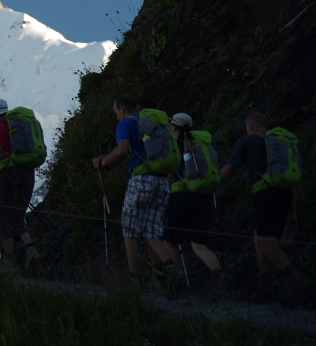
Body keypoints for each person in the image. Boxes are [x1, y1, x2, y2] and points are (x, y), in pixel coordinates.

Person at [219, 112, 312, 304]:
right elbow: (293, 182)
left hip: (265, 195)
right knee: (258, 236)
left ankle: (297, 281)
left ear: (251, 126)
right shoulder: (279, 145)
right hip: (285, 196)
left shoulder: (247, 141)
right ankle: (265, 285)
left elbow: (228, 170)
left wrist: (211, 183)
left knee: (266, 240)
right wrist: (293, 212)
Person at [92, 95, 178, 288]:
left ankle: (135, 278)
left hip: (141, 180)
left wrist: (101, 162)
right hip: (162, 181)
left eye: (116, 113)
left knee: (130, 228)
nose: (116, 118)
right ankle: (167, 269)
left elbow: (122, 150)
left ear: (122, 109)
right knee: (151, 230)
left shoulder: (126, 124)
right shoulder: (152, 122)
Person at [161, 113, 227, 286]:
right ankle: (219, 274)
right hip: (204, 198)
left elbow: (168, 175)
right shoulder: (203, 144)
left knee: (169, 240)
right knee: (199, 245)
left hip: (179, 199)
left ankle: (179, 279)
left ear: (174, 127)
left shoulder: (175, 146)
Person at [0, 98, 41, 271]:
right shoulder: (18, 122)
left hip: (8, 172)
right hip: (28, 171)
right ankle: (33, 252)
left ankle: (9, 261)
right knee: (19, 216)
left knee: (5, 217)